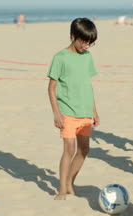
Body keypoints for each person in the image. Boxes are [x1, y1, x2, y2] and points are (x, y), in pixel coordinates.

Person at [47, 18, 99, 200]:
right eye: (84, 41)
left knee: (84, 149)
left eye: (90, 43)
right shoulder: (60, 57)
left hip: (85, 111)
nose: (87, 45)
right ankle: (62, 189)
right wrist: (56, 113)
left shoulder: (87, 57)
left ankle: (70, 181)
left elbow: (87, 85)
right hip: (67, 112)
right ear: (72, 36)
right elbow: (51, 88)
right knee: (69, 149)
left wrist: (94, 110)